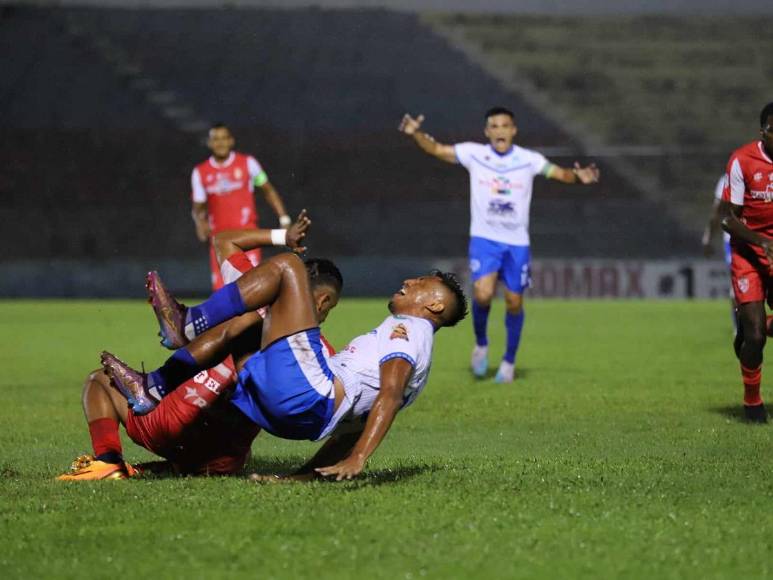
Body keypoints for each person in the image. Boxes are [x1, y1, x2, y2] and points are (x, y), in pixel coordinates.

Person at [102, 254, 468, 481]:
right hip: (297, 417)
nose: (408, 281)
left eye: (421, 283)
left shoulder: (409, 330)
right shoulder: (417, 355)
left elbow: (387, 396)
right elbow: (357, 421)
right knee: (247, 323)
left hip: (306, 395)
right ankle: (155, 386)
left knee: (290, 266)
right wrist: (306, 476)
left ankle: (187, 324)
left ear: (434, 305)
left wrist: (359, 459)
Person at [58, 218, 342, 480]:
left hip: (168, 425)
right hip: (223, 459)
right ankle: (176, 463)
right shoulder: (319, 353)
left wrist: (283, 236)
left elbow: (224, 240)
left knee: (99, 381)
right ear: (323, 301)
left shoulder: (253, 288)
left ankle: (109, 458)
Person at [398, 108, 599, 382]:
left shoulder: (528, 160)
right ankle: (481, 345)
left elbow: (559, 173)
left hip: (517, 243)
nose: (500, 130)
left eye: (505, 125)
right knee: (482, 295)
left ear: (513, 130)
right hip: (485, 239)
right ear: (487, 131)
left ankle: (508, 362)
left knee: (514, 301)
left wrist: (579, 177)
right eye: (494, 125)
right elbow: (436, 150)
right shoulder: (474, 154)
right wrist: (416, 134)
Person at [718, 101, 773, 423]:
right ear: (763, 132)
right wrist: (763, 242)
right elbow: (729, 219)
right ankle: (752, 402)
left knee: (756, 331)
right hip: (749, 253)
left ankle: (755, 325)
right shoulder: (743, 160)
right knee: (754, 339)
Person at [192, 123, 291, 290]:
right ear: (209, 143)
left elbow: (267, 190)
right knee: (222, 294)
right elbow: (199, 206)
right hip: (220, 241)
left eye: (224, 138)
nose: (220, 143)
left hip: (248, 237)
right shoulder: (200, 172)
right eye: (216, 139)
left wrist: (284, 217)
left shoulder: (248, 164)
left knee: (253, 290)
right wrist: (199, 222)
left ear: (231, 141)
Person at [702, 175, 736, 331]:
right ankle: (739, 328)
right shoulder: (727, 180)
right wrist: (708, 237)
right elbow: (717, 212)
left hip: (765, 239)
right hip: (736, 240)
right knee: (737, 286)